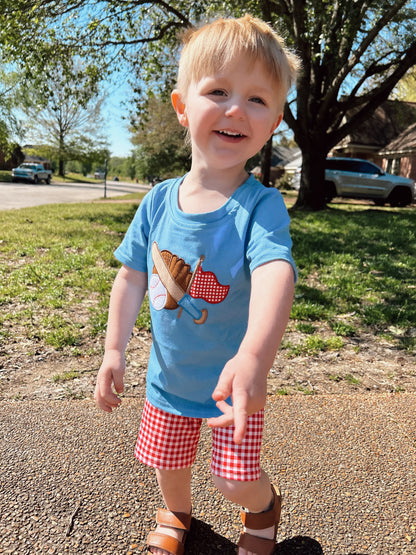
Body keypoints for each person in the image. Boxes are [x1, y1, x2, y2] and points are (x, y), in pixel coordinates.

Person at [95, 14, 300, 555]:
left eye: (258, 100)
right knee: (168, 461)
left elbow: (276, 271)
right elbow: (132, 273)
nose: (237, 109)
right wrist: (114, 349)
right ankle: (176, 513)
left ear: (275, 122)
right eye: (218, 91)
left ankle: (261, 509)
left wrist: (255, 356)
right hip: (169, 375)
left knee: (234, 478)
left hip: (234, 381)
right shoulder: (158, 201)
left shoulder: (260, 207)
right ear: (183, 107)